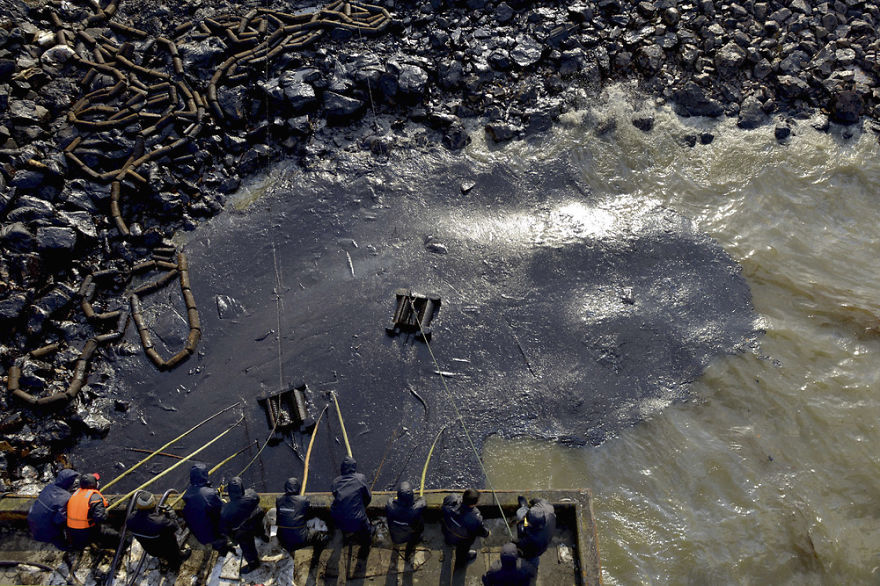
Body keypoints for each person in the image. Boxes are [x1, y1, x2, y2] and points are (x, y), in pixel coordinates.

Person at [126, 491, 191, 572]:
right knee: (173, 556)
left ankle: (163, 561)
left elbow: (145, 523)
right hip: (167, 549)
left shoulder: (130, 520)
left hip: (150, 550)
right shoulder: (160, 521)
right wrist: (172, 516)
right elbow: (176, 528)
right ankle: (176, 563)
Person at [182, 464, 232, 556]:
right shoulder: (210, 494)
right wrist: (218, 498)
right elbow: (221, 508)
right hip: (210, 534)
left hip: (197, 532)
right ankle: (222, 550)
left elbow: (201, 498)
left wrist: (210, 491)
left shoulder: (188, 492)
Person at [221, 476, 268, 575]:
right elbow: (256, 499)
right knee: (260, 527)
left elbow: (225, 528)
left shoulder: (226, 510)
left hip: (244, 531)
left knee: (247, 547)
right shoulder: (251, 494)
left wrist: (233, 539)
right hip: (256, 519)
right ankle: (263, 535)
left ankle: (253, 563)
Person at [28, 468, 79, 550]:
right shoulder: (65, 497)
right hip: (46, 528)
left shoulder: (49, 487)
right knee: (58, 537)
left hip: (32, 519)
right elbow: (59, 520)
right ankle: (66, 548)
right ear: (69, 483)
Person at [66, 473, 119, 550]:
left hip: (71, 531)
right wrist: (105, 511)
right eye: (96, 481)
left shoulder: (75, 493)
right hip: (85, 531)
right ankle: (120, 548)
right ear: (94, 484)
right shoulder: (95, 497)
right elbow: (100, 518)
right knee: (115, 535)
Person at [275, 476, 328, 553]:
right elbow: (309, 513)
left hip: (282, 539)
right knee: (317, 534)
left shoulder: (278, 499)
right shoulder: (303, 500)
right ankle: (318, 552)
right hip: (300, 540)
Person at [330, 456, 372, 548]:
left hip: (340, 520)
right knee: (366, 530)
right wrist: (363, 506)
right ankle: (367, 543)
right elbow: (368, 497)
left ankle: (345, 536)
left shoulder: (336, 481)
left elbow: (336, 496)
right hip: (358, 520)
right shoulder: (361, 478)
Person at [441, 488, 489, 566]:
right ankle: (461, 561)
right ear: (474, 504)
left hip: (447, 529)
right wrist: (487, 533)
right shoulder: (475, 518)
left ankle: (448, 543)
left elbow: (444, 503)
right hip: (462, 540)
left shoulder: (452, 498)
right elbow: (480, 531)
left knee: (448, 537)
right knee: (462, 550)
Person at [385, 480, 426, 556]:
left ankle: (396, 544)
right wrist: (421, 498)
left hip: (395, 535)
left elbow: (391, 500)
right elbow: (423, 502)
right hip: (408, 535)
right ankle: (407, 554)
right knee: (418, 526)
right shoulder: (416, 509)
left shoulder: (389, 505)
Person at [515, 496, 556, 567]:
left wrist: (516, 543)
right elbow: (537, 500)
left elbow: (522, 544)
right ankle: (524, 507)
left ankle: (532, 566)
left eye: (529, 522)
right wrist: (532, 501)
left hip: (538, 548)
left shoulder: (534, 539)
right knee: (521, 515)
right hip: (547, 525)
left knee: (532, 556)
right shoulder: (547, 507)